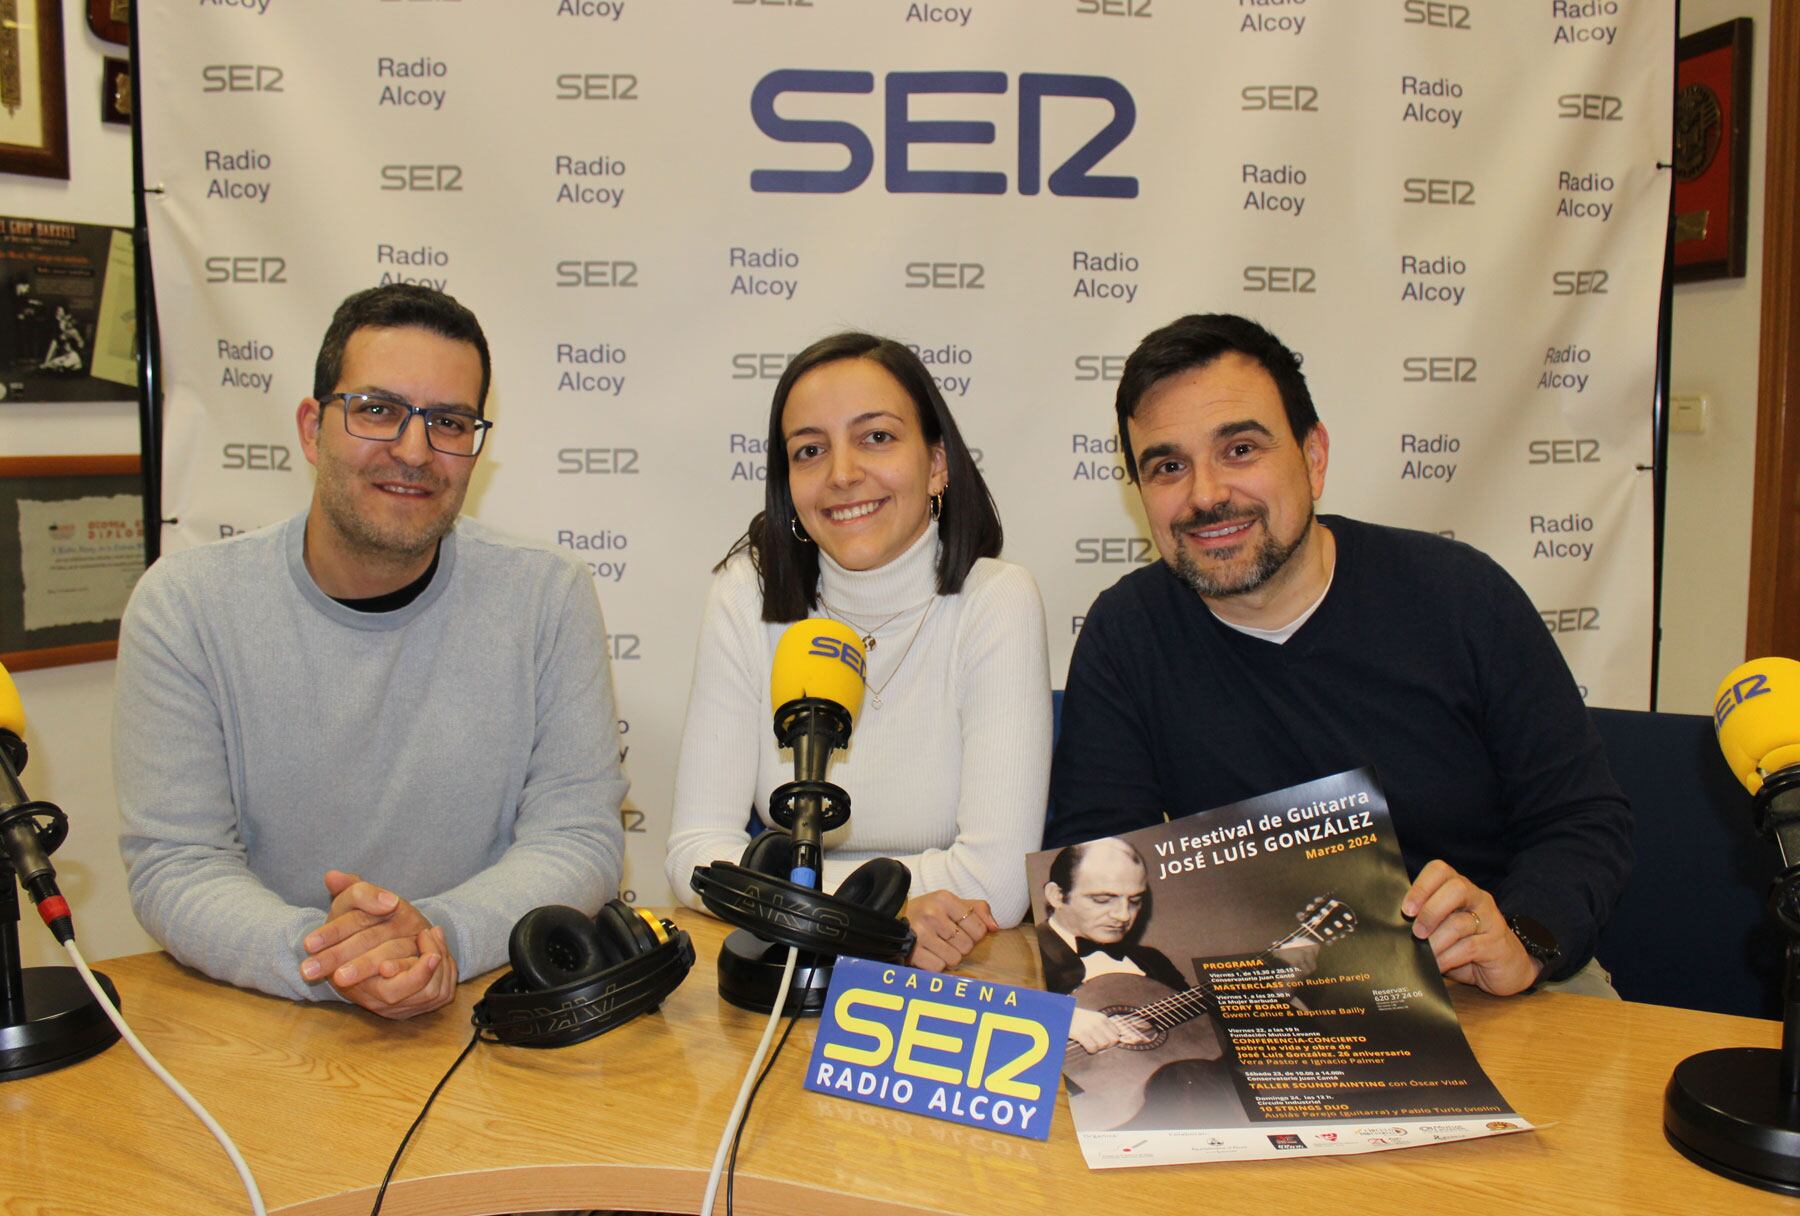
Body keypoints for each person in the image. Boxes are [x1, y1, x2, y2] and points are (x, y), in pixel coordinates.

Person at [1045, 313, 1632, 999]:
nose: (1205, 495)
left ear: (1313, 457)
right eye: (1169, 466)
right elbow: (1093, 860)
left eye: (1239, 449)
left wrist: (1522, 939)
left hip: (1489, 987)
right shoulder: (1127, 633)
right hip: (1262, 995)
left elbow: (1583, 822)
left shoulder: (1461, 597)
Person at [114, 284, 627, 1019]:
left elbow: (578, 838)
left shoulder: (547, 597)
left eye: (448, 422)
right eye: (378, 410)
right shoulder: (185, 608)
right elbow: (177, 865)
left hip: (481, 1015)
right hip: (263, 1022)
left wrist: (439, 938)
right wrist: (331, 959)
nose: (414, 450)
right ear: (310, 429)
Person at [664, 332, 1052, 972]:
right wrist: (887, 912)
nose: (842, 474)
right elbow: (695, 858)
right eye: (810, 450)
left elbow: (999, 883)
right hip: (783, 973)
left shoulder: (997, 600)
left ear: (937, 464)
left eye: (876, 437)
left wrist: (791, 893)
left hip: (944, 976)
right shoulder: (745, 595)